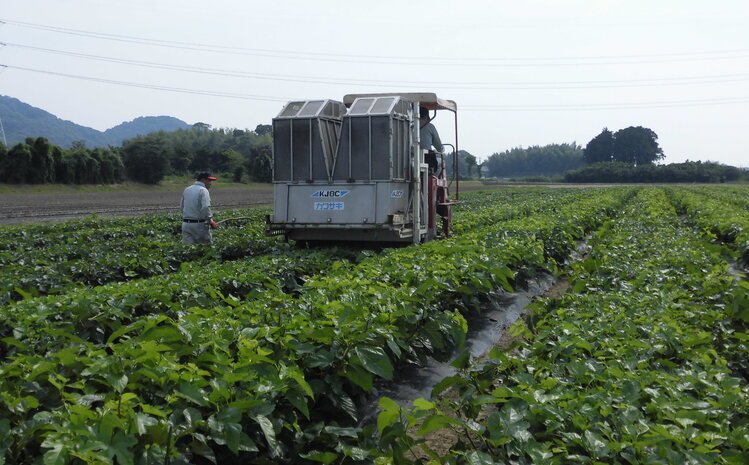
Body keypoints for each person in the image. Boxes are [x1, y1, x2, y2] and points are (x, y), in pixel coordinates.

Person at [180, 172, 217, 244]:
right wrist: (210, 221)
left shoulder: (187, 189)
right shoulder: (203, 190)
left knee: (188, 249)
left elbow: (181, 207)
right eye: (209, 180)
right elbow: (205, 207)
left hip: (186, 225)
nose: (210, 183)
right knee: (205, 248)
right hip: (199, 226)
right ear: (203, 180)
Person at [419, 106, 443, 174]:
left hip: (409, 157)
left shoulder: (409, 125)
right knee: (441, 162)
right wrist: (441, 149)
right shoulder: (430, 126)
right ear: (427, 116)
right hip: (427, 157)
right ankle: (433, 181)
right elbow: (439, 146)